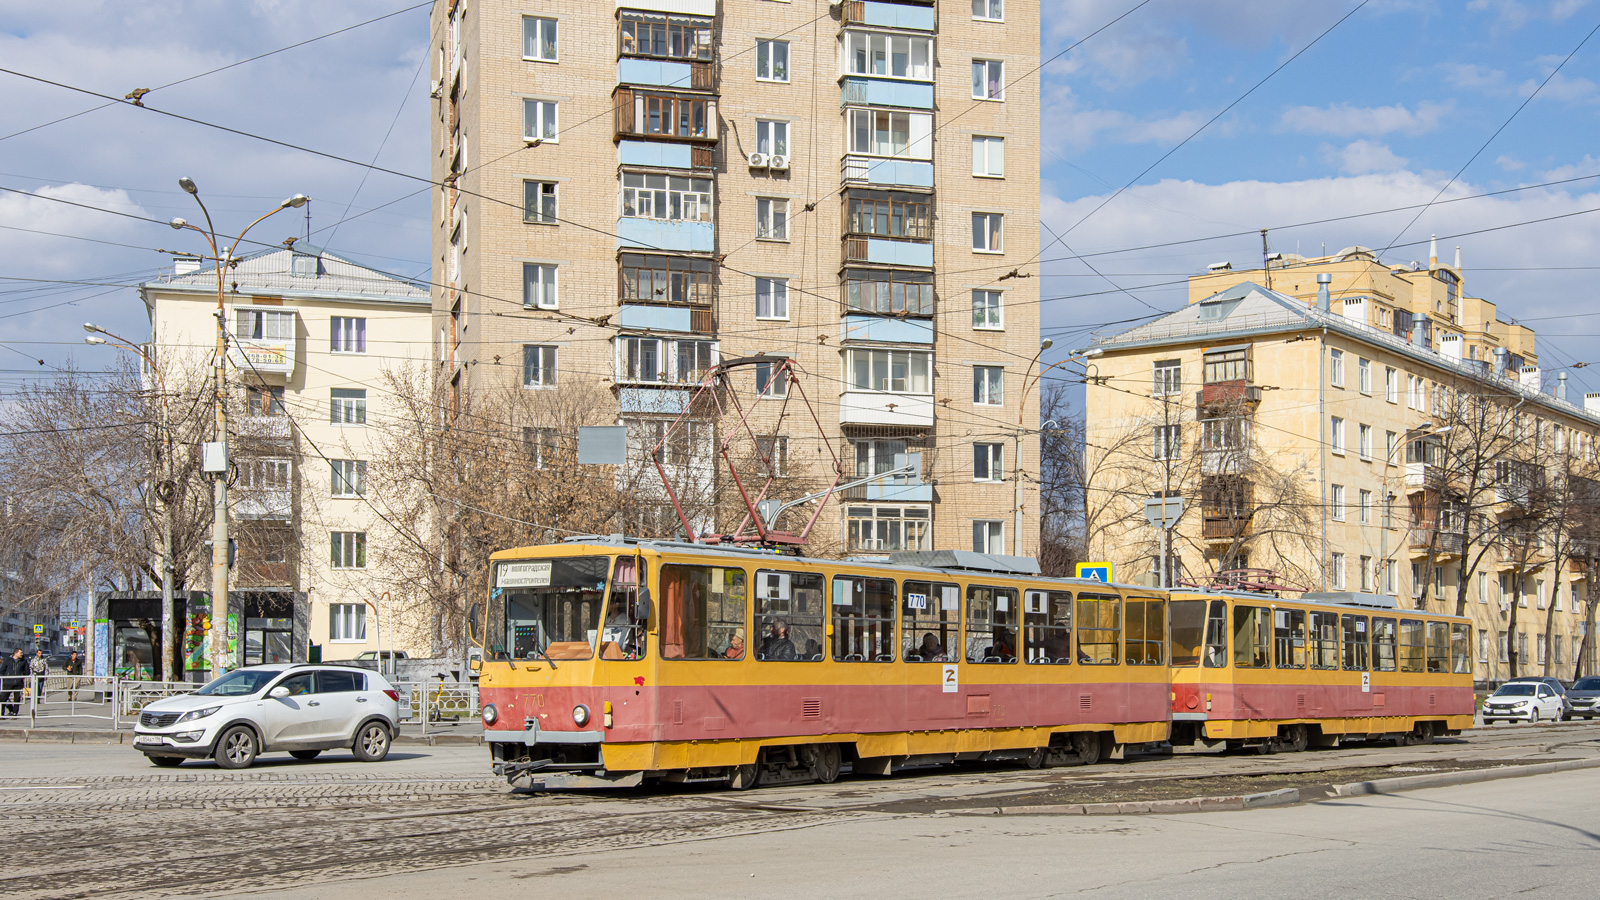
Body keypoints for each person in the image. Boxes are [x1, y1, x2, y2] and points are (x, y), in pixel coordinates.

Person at [0, 649, 26, 717]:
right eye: (20, 653)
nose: (22, 654)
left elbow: (27, 672)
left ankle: (14, 713)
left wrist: (21, 675)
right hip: (8, 683)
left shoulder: (23, 661)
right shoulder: (8, 660)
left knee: (17, 698)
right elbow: (2, 670)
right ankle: (1, 713)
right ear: (15, 653)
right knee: (3, 698)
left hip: (18, 682)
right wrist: (6, 677)